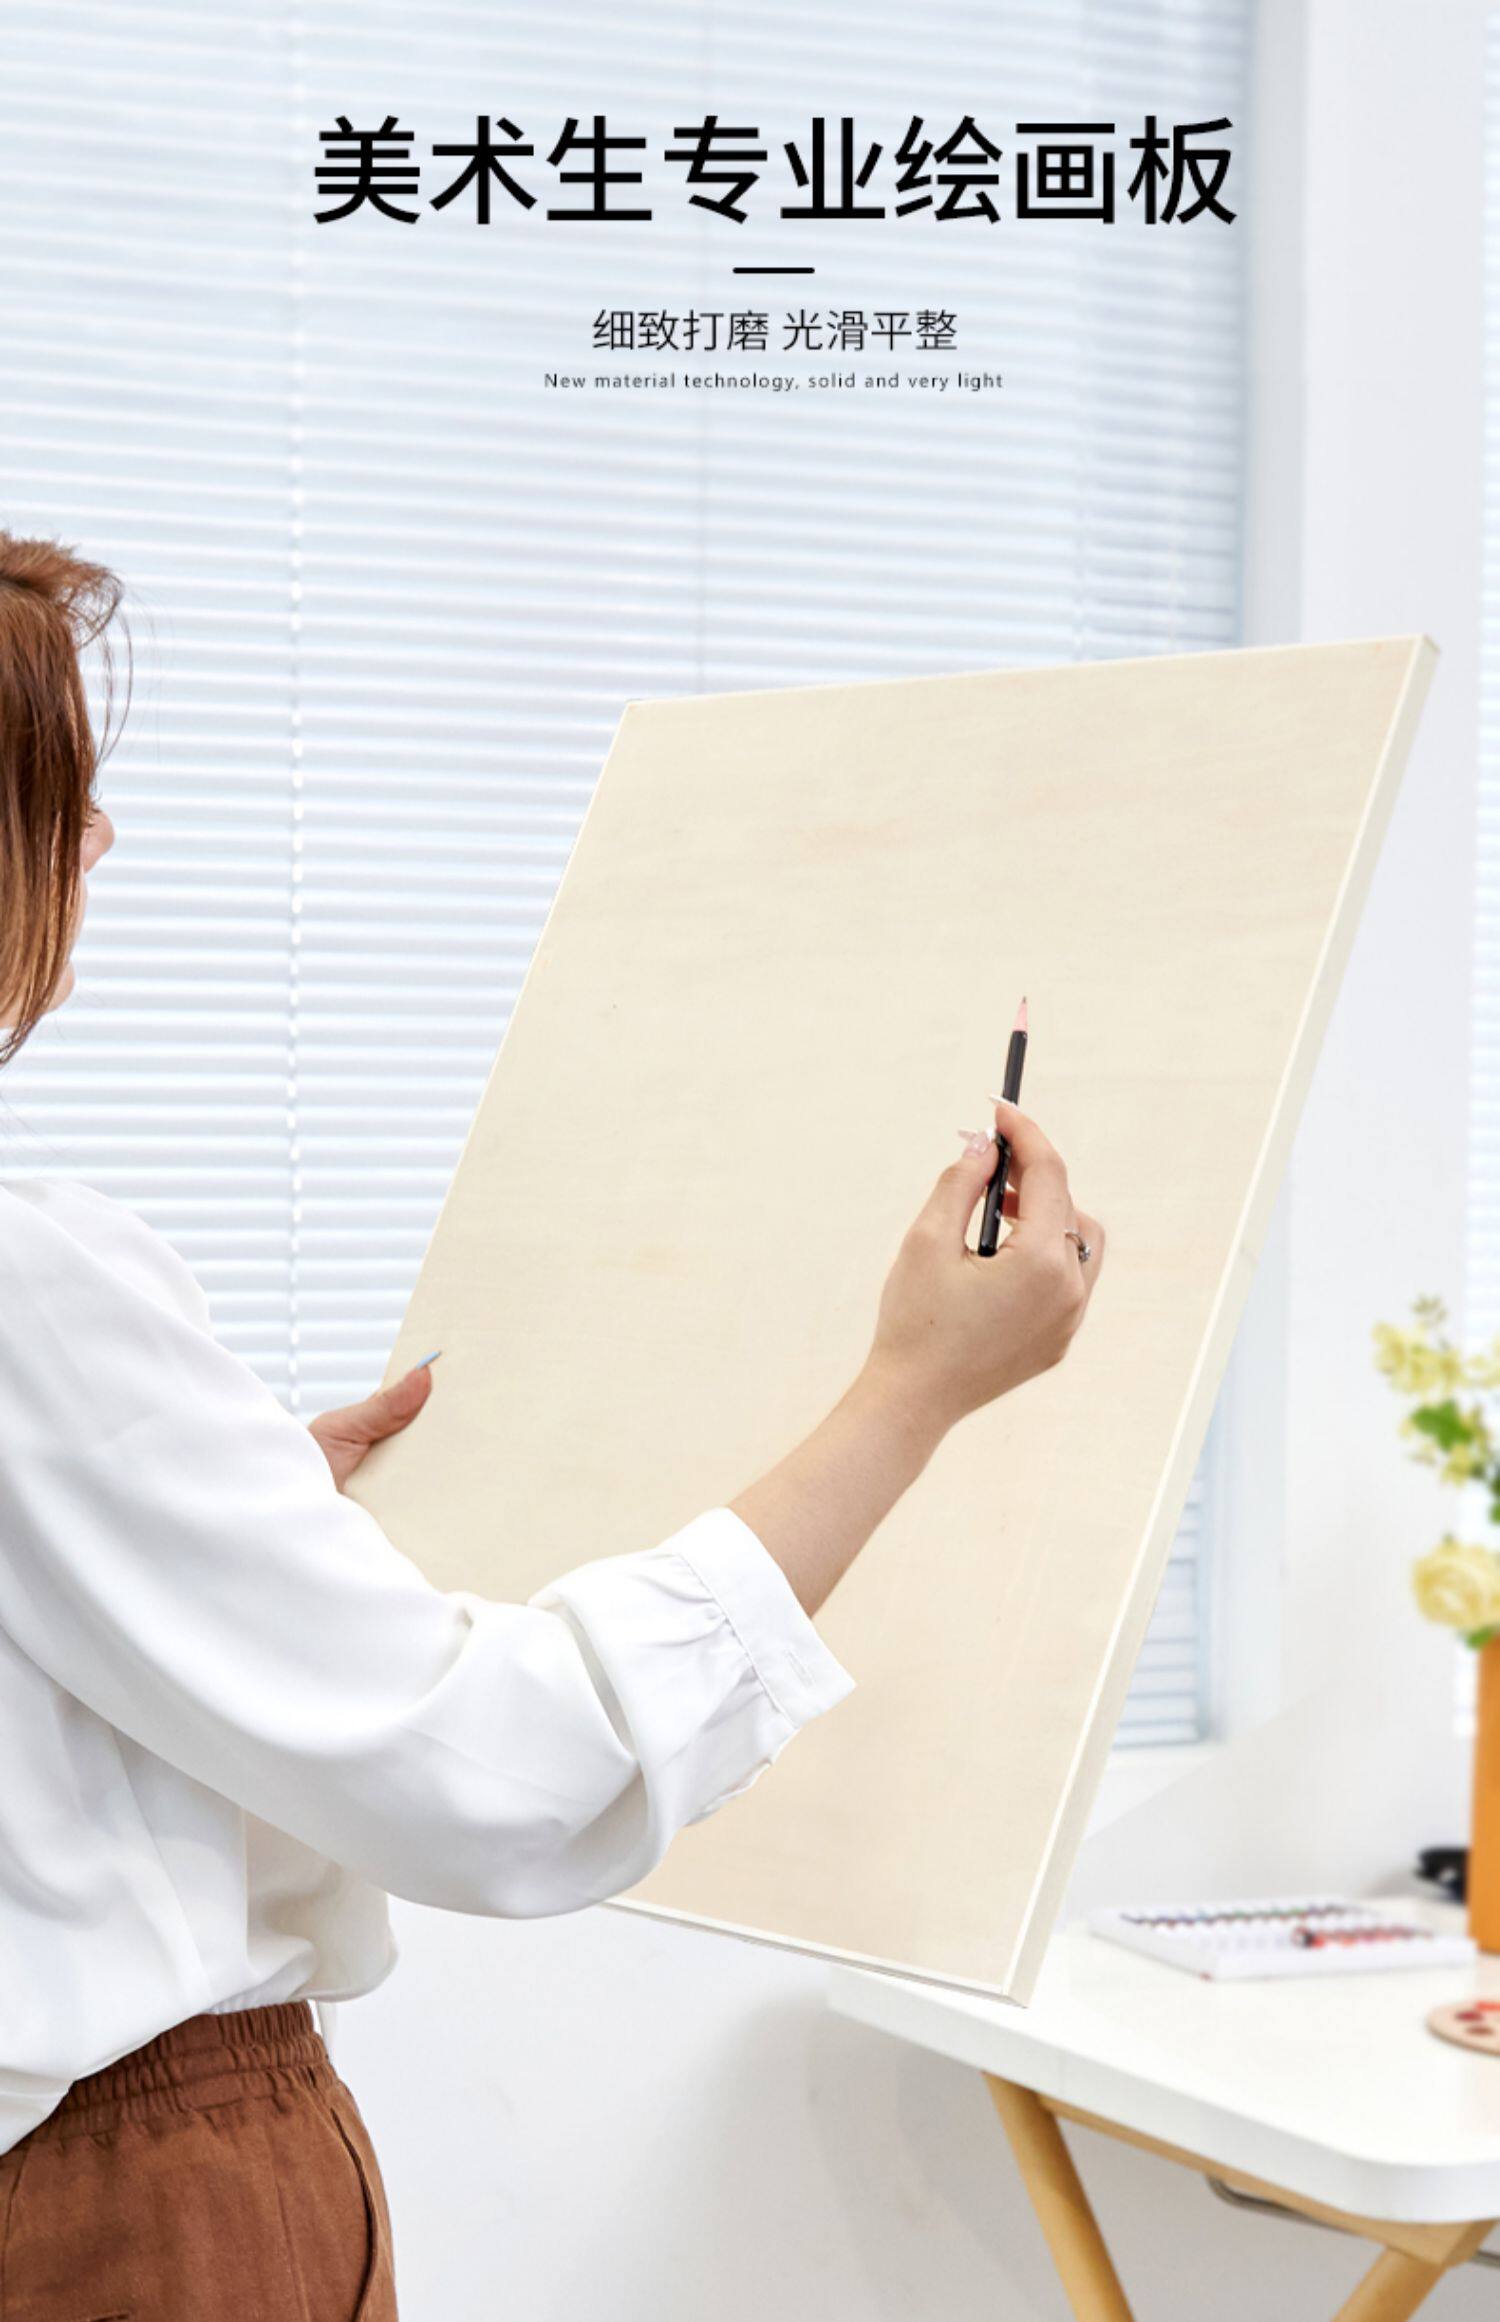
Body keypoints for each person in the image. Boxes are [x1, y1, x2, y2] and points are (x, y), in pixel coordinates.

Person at [0, 533, 1104, 2320]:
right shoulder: (30, 1289)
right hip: (134, 2208)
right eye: (58, 799)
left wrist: (216, 1512)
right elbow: (507, 1772)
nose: (99, 842)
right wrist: (914, 1388)